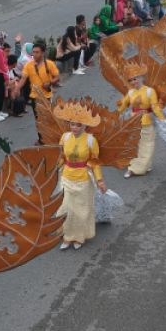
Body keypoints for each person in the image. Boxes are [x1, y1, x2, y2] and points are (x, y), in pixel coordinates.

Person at [55, 102, 107, 250]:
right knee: (66, 208)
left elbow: (95, 162)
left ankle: (78, 237)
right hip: (66, 177)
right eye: (72, 124)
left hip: (83, 180)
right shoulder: (64, 137)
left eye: (78, 125)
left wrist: (100, 181)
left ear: (84, 126)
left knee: (80, 211)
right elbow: (60, 157)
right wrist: (52, 171)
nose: (75, 128)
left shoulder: (91, 140)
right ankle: (67, 236)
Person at [116, 62, 165, 178]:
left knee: (146, 145)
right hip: (133, 122)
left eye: (135, 79)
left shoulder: (149, 91)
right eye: (131, 80)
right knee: (134, 145)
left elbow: (155, 107)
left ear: (141, 77)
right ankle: (144, 165)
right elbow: (123, 106)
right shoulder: (131, 92)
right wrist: (117, 111)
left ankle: (135, 169)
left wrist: (163, 119)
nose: (133, 82)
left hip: (147, 122)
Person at [18, 42, 61, 113]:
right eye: (33, 52)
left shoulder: (50, 64)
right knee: (38, 119)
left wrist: (50, 83)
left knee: (46, 118)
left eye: (37, 52)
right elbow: (23, 79)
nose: (34, 54)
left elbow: (57, 78)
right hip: (34, 96)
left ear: (43, 53)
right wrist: (17, 89)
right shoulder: (28, 65)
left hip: (46, 96)